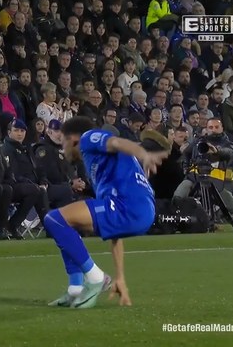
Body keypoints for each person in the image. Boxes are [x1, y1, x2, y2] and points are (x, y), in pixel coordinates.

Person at [45, 116, 167, 309]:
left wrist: (143, 153)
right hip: (138, 212)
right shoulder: (104, 163)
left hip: (128, 207)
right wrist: (121, 277)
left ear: (73, 139)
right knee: (68, 224)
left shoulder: (88, 137)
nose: (62, 149)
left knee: (54, 219)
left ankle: (96, 278)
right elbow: (116, 235)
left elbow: (116, 142)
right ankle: (75, 289)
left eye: (63, 142)